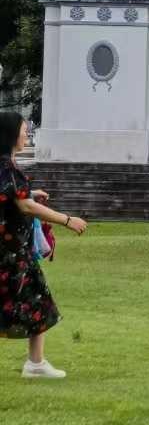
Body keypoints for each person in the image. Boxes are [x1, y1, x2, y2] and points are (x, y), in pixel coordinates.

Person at [0, 112, 88, 379]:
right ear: (11, 135)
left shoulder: (6, 168)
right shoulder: (7, 168)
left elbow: (15, 196)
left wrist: (31, 193)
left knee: (36, 299)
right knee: (37, 299)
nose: (27, 134)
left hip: (14, 249)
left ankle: (36, 363)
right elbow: (24, 205)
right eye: (24, 130)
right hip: (10, 253)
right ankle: (35, 364)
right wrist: (67, 220)